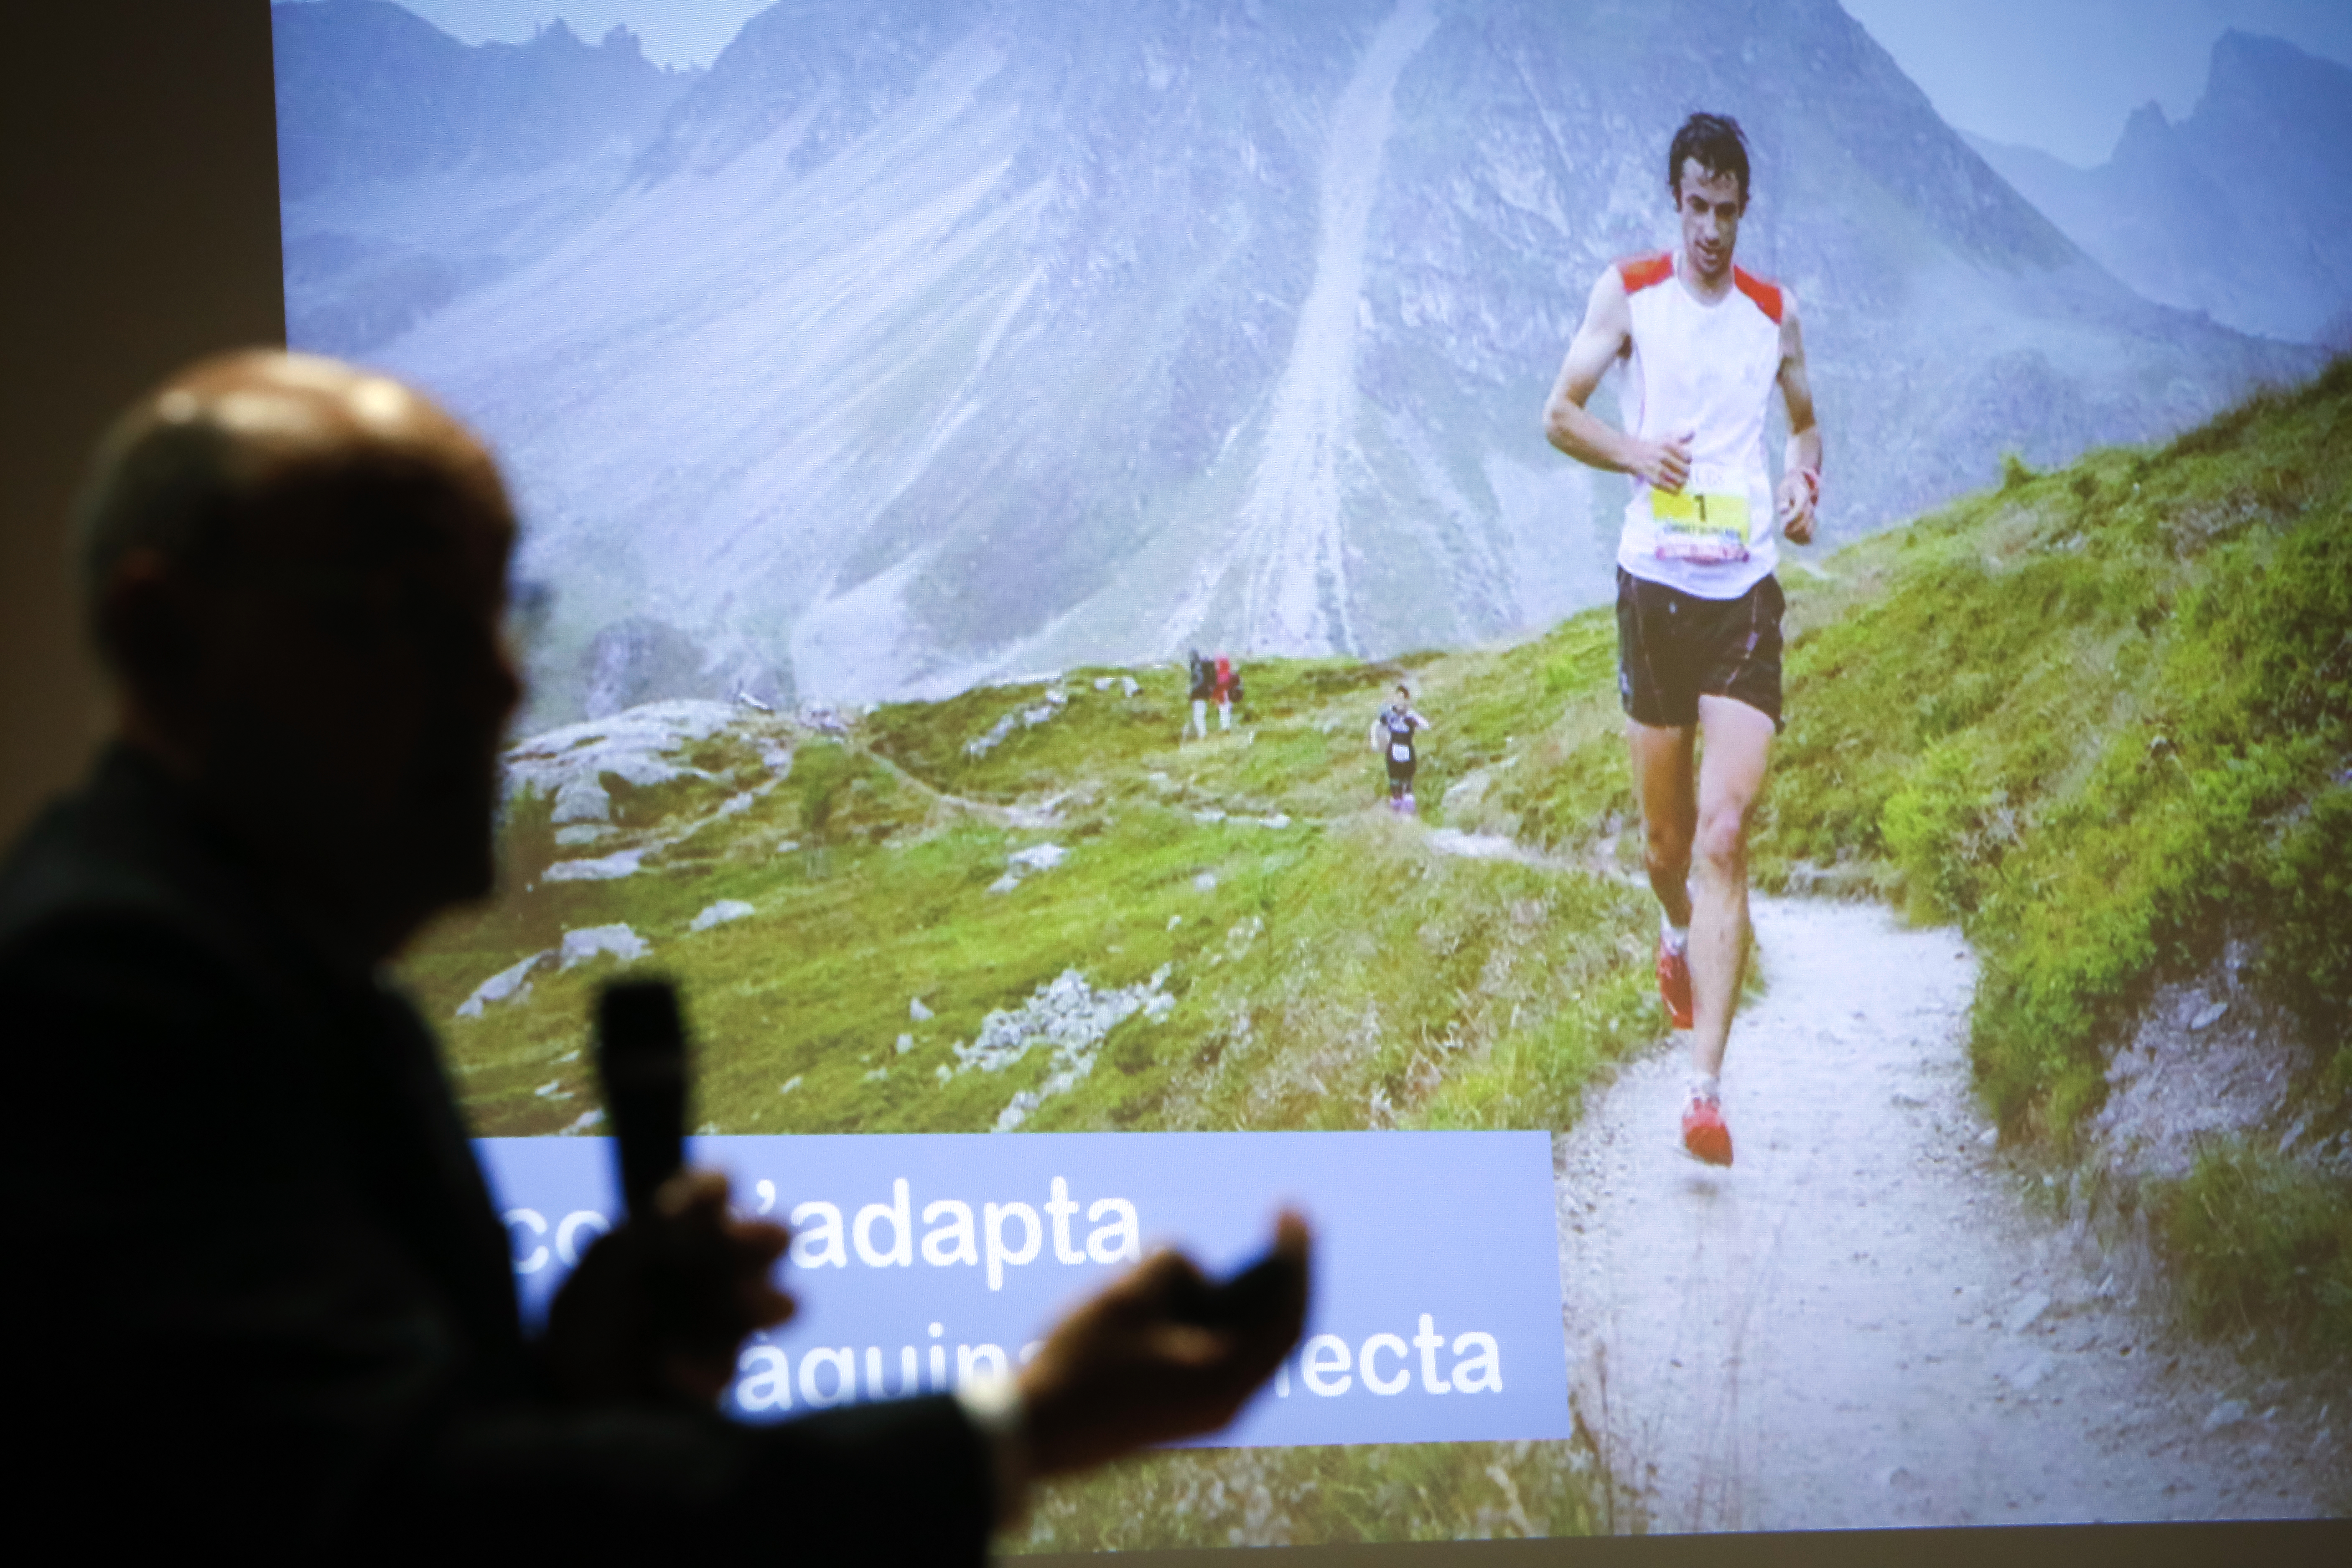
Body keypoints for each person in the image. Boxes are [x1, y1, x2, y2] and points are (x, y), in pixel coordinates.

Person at [0, 351, 1311, 1555]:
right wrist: (1022, 1422)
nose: (504, 681)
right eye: (413, 610)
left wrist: (570, 1379)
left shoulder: (289, 976)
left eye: (504, 605)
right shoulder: (108, 995)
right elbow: (395, 1517)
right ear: (168, 636)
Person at [1539, 113, 1822, 1168]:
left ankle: (1705, 1092)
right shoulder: (1631, 294)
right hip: (1654, 590)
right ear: (1678, 204)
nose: (1710, 228)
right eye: (1694, 207)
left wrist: (1803, 477)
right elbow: (1559, 414)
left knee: (1722, 835)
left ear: (1746, 209)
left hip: (1745, 591)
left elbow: (1806, 421)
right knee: (1665, 851)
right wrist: (1634, 451)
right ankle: (1672, 935)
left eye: (1727, 210)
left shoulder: (1774, 315)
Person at [1368, 684, 1431, 815]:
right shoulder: (1389, 715)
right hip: (1394, 751)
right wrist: (1375, 742)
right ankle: (1396, 811)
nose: (1400, 701)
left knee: (1408, 782)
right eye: (1398, 698)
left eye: (1403, 698)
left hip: (1408, 750)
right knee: (1395, 783)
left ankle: (1409, 812)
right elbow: (1376, 725)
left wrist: (1413, 720)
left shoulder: (1411, 715)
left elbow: (1426, 725)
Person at [1187, 648, 1214, 739]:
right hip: (1203, 696)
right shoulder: (1201, 666)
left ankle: (1203, 735)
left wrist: (1192, 695)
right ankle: (1203, 734)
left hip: (1198, 696)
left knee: (1198, 717)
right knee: (1200, 716)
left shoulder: (1196, 668)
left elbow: (1197, 683)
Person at [1214, 653, 1240, 731]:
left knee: (1223, 711)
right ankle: (1227, 727)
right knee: (1228, 710)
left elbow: (1218, 686)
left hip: (1222, 694)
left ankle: (1225, 728)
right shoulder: (1229, 672)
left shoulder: (1219, 673)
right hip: (1230, 693)